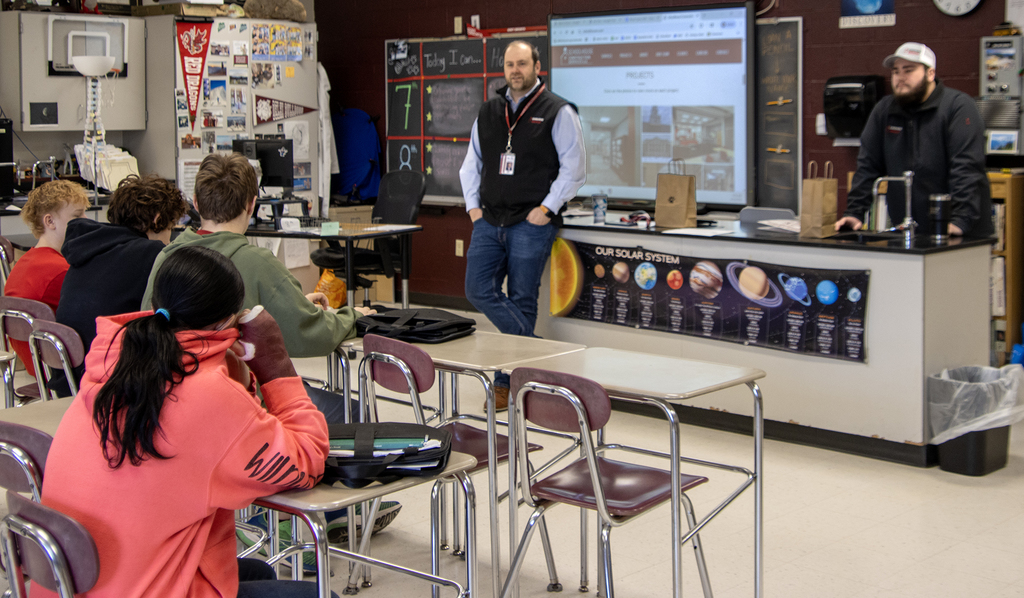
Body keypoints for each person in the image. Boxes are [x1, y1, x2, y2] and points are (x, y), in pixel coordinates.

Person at [38, 245, 337, 598]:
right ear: (229, 322)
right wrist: (276, 367)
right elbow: (306, 462)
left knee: (255, 568)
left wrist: (230, 371)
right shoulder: (206, 395)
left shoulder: (113, 362)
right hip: (146, 587)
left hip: (83, 582)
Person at [459, 40, 586, 410]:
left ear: (536, 66)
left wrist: (546, 209)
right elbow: (472, 163)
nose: (516, 70)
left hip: (531, 222)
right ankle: (534, 352)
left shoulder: (558, 110)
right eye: (510, 64)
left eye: (522, 64)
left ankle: (507, 385)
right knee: (477, 289)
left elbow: (574, 169)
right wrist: (472, 209)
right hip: (489, 219)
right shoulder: (488, 111)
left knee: (522, 298)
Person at [836, 42, 993, 238]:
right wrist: (854, 212)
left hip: (960, 231)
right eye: (896, 72)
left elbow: (967, 168)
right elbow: (868, 165)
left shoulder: (958, 107)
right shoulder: (884, 110)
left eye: (908, 70)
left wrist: (961, 220)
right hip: (908, 231)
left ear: (930, 74)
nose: (900, 78)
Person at [57, 174, 189, 354]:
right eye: (171, 227)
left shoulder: (90, 246)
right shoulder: (151, 252)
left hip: (69, 368)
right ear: (157, 220)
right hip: (110, 368)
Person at [3, 180, 89, 378]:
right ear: (49, 222)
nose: (86, 220)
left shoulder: (24, 262)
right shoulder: (60, 271)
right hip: (60, 370)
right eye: (77, 215)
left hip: (36, 364)